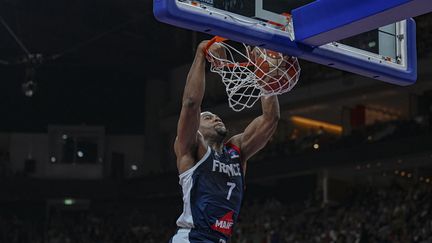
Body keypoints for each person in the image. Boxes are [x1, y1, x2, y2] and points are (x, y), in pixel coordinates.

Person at [170, 40, 280, 243]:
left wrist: (264, 77)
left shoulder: (236, 151)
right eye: (208, 117)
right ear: (197, 130)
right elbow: (191, 103)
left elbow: (270, 119)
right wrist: (201, 53)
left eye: (216, 116)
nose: (216, 118)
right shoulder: (192, 148)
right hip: (192, 237)